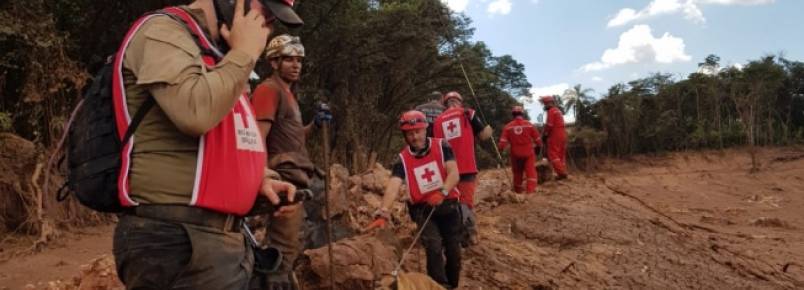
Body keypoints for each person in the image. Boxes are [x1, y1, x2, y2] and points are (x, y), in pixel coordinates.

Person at [111, 0, 303, 289]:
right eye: (266, 13)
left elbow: (228, 133)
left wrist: (258, 179)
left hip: (217, 243)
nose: (267, 27)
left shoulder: (219, 56)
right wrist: (245, 53)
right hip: (179, 240)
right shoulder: (163, 31)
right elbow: (194, 112)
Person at [249, 33, 332, 288]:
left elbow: (293, 138)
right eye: (288, 60)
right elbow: (257, 137)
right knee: (282, 249)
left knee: (289, 245)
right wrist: (260, 173)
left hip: (295, 175)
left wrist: (314, 126)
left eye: (299, 60)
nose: (296, 65)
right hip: (280, 178)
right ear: (273, 62)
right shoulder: (268, 90)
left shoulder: (288, 94)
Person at [369, 110, 463, 289]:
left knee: (454, 252)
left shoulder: (442, 145)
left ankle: (452, 285)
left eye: (418, 131)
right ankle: (439, 286)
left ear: (425, 129)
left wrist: (442, 192)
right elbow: (394, 185)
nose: (414, 137)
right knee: (433, 247)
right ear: (405, 135)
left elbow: (454, 173)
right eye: (410, 133)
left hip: (448, 205)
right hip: (422, 209)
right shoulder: (402, 159)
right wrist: (384, 211)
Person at [432, 91, 492, 245]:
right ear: (459, 102)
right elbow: (484, 135)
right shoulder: (468, 113)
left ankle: (449, 235)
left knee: (451, 201)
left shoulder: (437, 121)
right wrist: (489, 129)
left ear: (445, 104)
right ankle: (468, 236)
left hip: (446, 169)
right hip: (467, 167)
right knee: (465, 202)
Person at [498, 106, 542, 193]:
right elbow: (538, 140)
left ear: (513, 115)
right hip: (529, 153)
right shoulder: (529, 125)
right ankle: (530, 192)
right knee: (531, 172)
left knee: (517, 173)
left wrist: (500, 150)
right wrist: (538, 147)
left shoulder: (508, 127)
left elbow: (502, 143)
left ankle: (518, 191)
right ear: (522, 114)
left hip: (515, 154)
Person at [539, 95, 568, 180]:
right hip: (563, 134)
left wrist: (544, 134)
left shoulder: (551, 111)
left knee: (552, 154)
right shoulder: (558, 111)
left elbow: (549, 125)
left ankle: (561, 173)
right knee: (561, 155)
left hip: (555, 135)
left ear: (548, 103)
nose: (544, 106)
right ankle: (563, 171)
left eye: (545, 104)